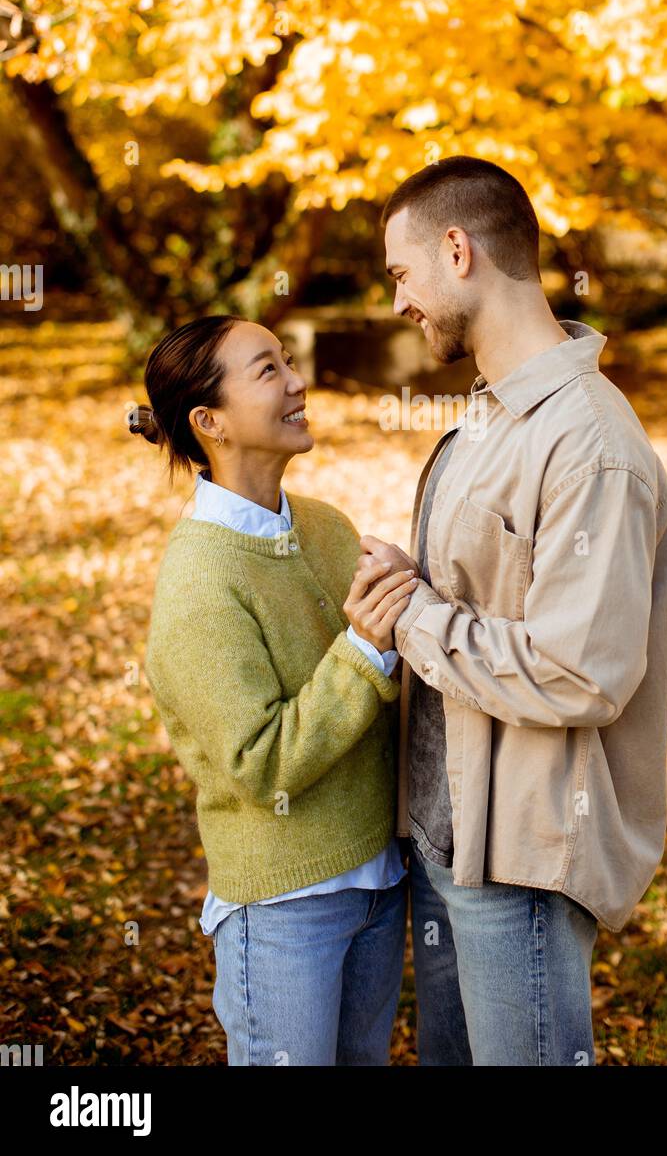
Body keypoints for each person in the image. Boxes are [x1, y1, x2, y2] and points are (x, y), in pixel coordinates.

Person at [357, 155, 667, 1066]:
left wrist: (412, 613)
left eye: (401, 274)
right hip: (445, 841)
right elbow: (481, 597)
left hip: (521, 860)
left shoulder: (591, 443)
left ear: (456, 250)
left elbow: (582, 671)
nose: (397, 303)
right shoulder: (490, 418)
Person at [130, 314, 415, 1065]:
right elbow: (261, 763)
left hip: (380, 885)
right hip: (285, 912)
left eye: (288, 362)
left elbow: (383, 687)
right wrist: (364, 650)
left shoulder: (325, 527)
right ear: (210, 421)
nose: (297, 382)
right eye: (268, 370)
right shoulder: (199, 583)